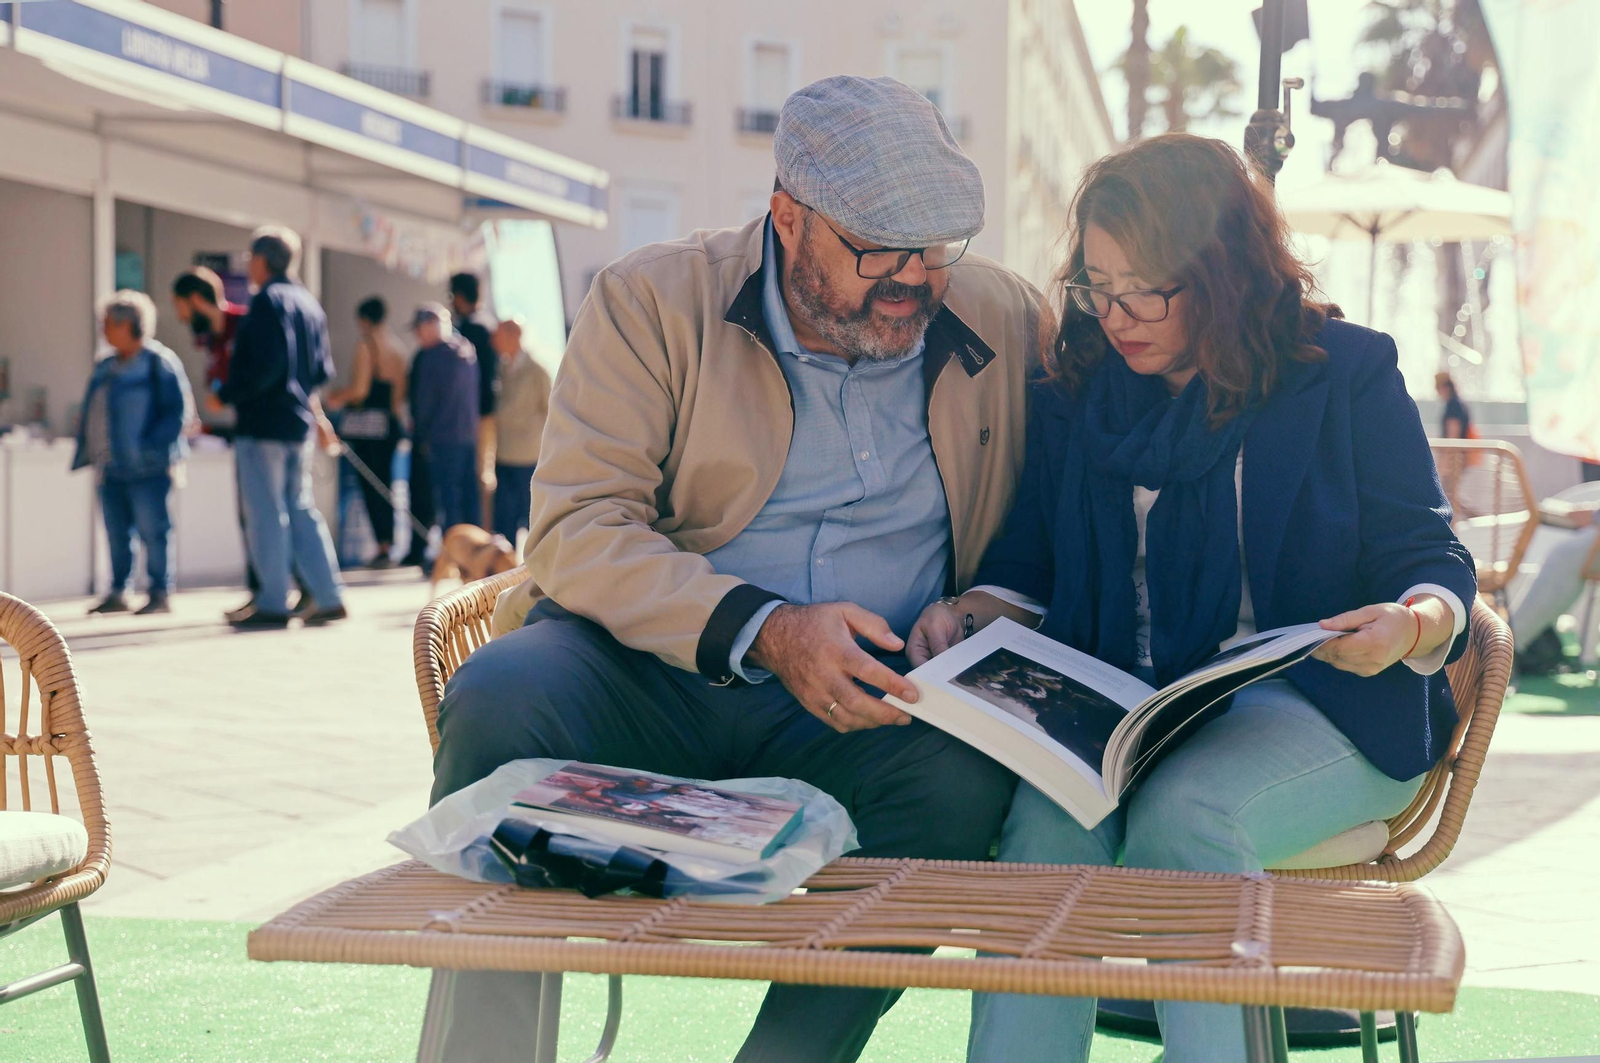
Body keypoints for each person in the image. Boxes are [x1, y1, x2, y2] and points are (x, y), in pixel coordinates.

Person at [428, 76, 1050, 1062]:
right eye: (875, 249)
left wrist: (987, 601)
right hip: (648, 673)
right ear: (787, 219)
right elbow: (576, 527)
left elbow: (1072, 497)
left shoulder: (1007, 317)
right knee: (502, 693)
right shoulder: (649, 298)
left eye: (933, 246)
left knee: (968, 772)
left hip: (878, 703)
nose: (912, 279)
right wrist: (765, 629)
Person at [899, 134, 1476, 1063]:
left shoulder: (1344, 372)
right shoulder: (1075, 388)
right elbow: (1031, 561)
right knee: (1045, 825)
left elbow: (1431, 550)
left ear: (1222, 271)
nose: (1116, 315)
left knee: (1186, 813)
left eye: (1146, 287)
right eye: (1096, 284)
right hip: (1124, 702)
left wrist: (1411, 625)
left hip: (1326, 701)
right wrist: (969, 614)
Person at [223, 225, 348, 628]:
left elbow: (264, 367)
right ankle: (328, 595)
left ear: (260, 261)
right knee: (300, 507)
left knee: (265, 511)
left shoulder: (266, 302)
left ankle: (273, 601)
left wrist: (228, 393)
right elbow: (321, 371)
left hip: (263, 423)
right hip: (297, 424)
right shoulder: (309, 303)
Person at [74, 291, 194, 615]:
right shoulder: (106, 366)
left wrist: (152, 447)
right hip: (110, 465)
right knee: (116, 533)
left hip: (149, 467)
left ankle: (159, 593)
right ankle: (118, 591)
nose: (104, 330)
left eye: (108, 323)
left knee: (154, 531)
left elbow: (177, 413)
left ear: (128, 324)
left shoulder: (159, 363)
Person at [171, 266, 270, 621]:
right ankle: (261, 594)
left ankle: (284, 594)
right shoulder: (211, 338)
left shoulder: (243, 325)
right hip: (238, 434)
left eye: (180, 305)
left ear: (196, 300)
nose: (179, 315)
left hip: (265, 433)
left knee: (269, 517)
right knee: (249, 518)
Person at [325, 296, 408, 568]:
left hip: (369, 428)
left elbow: (360, 389)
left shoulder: (366, 345)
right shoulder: (397, 348)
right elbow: (399, 396)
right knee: (386, 485)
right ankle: (389, 542)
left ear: (364, 319)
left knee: (371, 486)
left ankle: (383, 545)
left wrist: (338, 396)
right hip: (391, 425)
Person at [408, 304, 481, 532]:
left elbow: (425, 403)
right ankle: (473, 554)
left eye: (420, 329)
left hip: (442, 439)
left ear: (433, 326)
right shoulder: (467, 351)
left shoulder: (433, 357)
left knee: (447, 500)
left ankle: (453, 554)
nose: (417, 335)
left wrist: (420, 435)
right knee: (469, 498)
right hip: (468, 437)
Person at [484, 316, 550, 546]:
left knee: (532, 515)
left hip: (529, 455)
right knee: (504, 517)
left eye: (499, 335)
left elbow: (550, 409)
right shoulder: (501, 368)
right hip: (504, 453)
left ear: (513, 336)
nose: (494, 341)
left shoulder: (536, 371)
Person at [449, 271, 498, 524]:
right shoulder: (486, 323)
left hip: (477, 415)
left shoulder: (472, 328)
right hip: (482, 414)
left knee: (479, 477)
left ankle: (482, 537)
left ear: (458, 296)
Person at [1436, 371, 1471, 438]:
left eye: (1438, 388)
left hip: (1457, 447)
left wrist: (1445, 447)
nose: (1437, 392)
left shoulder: (1453, 406)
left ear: (1446, 387)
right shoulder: (1458, 403)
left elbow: (1453, 435)